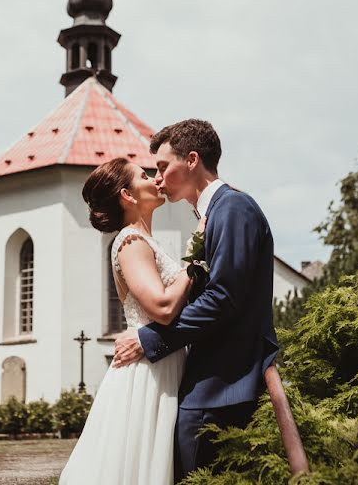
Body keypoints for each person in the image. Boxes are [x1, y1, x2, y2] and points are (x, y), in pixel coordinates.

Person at [113, 119, 279, 481]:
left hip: (221, 390)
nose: (157, 179)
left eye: (162, 167)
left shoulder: (232, 208)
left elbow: (223, 298)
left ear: (191, 160)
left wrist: (149, 338)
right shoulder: (213, 214)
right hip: (207, 385)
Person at [59, 157, 202, 485]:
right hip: (146, 369)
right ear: (128, 194)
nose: (155, 178)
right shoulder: (130, 242)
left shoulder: (145, 240)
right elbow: (163, 307)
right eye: (144, 175)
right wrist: (195, 255)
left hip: (162, 359)